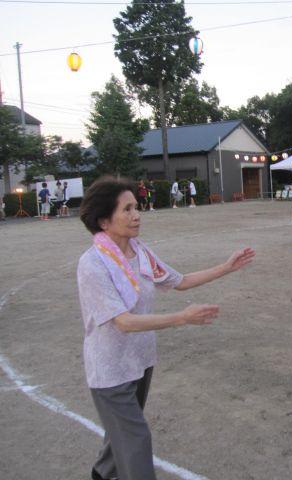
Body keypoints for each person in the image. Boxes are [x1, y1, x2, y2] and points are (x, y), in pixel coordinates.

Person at [77, 176, 255, 480]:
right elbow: (124, 321)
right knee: (135, 439)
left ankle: (102, 475)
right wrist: (181, 318)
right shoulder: (93, 264)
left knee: (119, 437)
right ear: (104, 221)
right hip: (111, 371)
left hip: (141, 361)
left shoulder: (140, 253)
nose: (137, 215)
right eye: (127, 209)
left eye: (136, 207)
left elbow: (180, 281)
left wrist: (227, 267)